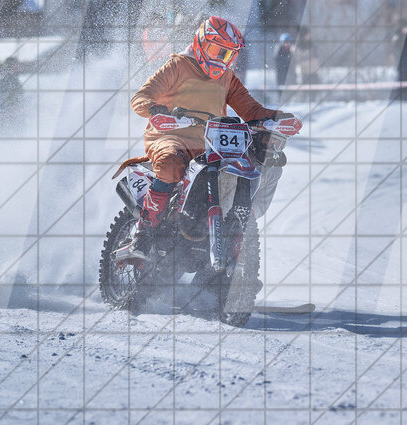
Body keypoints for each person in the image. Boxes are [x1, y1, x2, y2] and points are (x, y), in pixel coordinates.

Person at [127, 16, 300, 259]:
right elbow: (141, 96)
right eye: (215, 50)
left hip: (210, 141)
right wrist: (154, 109)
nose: (220, 59)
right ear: (200, 42)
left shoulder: (227, 78)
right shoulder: (178, 66)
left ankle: (232, 253)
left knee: (251, 163)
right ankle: (142, 234)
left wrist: (276, 117)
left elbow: (251, 110)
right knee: (171, 163)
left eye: (227, 55)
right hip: (170, 134)